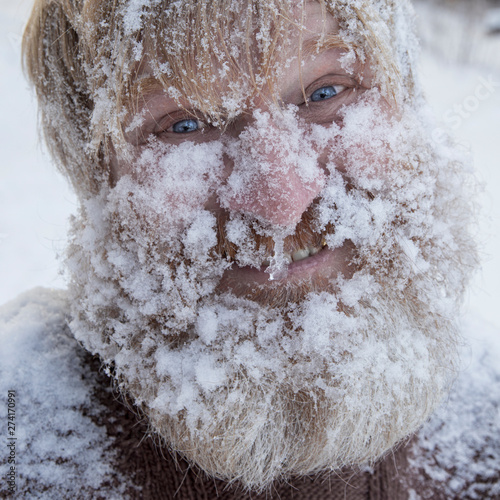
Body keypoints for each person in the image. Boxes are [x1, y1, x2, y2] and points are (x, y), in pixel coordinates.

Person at [1, 0, 498, 498]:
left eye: (326, 92)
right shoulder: (20, 457)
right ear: (97, 182)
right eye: (183, 126)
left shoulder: (489, 428)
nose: (281, 200)